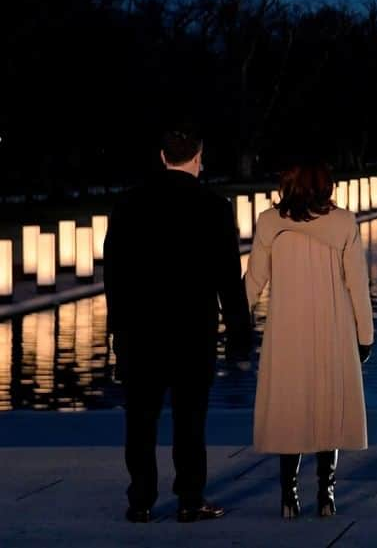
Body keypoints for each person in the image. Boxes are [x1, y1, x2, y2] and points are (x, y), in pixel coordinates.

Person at [104, 126, 253, 524]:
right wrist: (241, 333)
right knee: (190, 420)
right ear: (198, 157)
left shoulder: (128, 204)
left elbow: (114, 275)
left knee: (140, 420)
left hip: (140, 331)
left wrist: (116, 329)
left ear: (162, 156)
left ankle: (140, 500)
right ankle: (190, 497)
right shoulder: (215, 207)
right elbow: (227, 277)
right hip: (192, 331)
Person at [245, 160, 374, 519]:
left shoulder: (270, 222)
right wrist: (365, 336)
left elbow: (254, 281)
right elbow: (357, 286)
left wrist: (234, 323)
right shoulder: (344, 223)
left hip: (286, 329)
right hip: (332, 326)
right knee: (327, 408)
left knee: (291, 409)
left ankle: (289, 495)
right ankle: (327, 493)